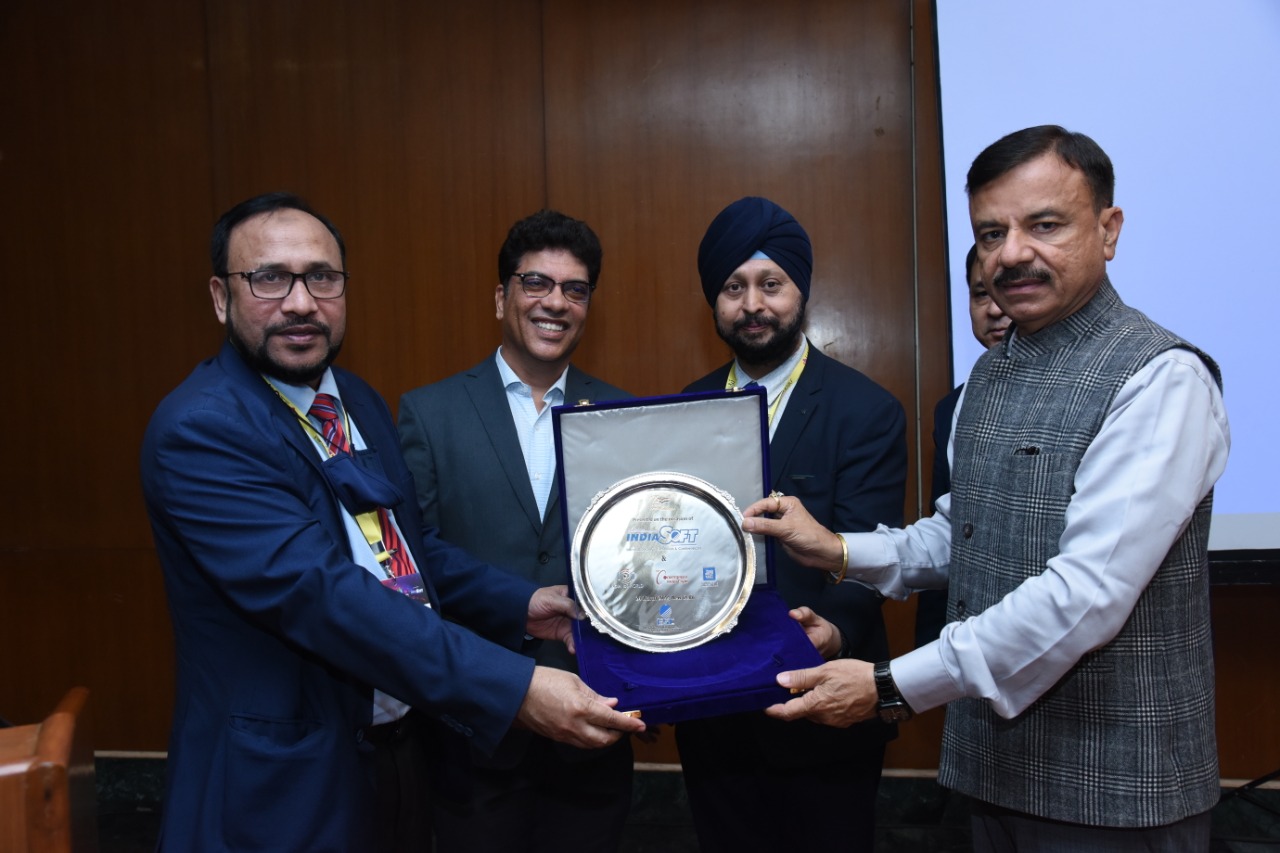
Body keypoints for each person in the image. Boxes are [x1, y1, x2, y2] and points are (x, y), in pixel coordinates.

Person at [746, 127, 1229, 850]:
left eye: (1045, 225)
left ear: (1108, 230)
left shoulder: (1161, 379)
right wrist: (836, 548)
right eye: (991, 233)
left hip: (1116, 790)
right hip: (992, 772)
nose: (1011, 254)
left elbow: (1086, 595)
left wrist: (888, 683)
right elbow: (962, 533)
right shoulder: (990, 375)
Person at [140, 192, 644, 853]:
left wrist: (522, 603)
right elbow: (322, 594)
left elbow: (406, 550)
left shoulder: (355, 401)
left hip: (397, 757)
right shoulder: (203, 428)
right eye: (270, 278)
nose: (300, 302)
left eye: (322, 277)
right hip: (283, 785)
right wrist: (515, 686)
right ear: (220, 297)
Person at [676, 196, 908, 851]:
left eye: (770, 284)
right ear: (714, 299)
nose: (753, 304)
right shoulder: (684, 408)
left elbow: (873, 552)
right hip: (712, 715)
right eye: (733, 287)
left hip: (824, 714)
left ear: (800, 292)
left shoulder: (866, 410)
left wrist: (834, 628)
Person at [398, 210, 633, 852]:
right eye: (536, 282)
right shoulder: (430, 413)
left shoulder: (625, 414)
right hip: (475, 733)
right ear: (501, 297)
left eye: (575, 289)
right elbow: (415, 558)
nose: (556, 302)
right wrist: (519, 604)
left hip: (595, 725)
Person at [914, 244, 1009, 647]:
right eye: (981, 293)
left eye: (1006, 289)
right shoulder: (954, 408)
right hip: (964, 645)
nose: (995, 309)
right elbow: (951, 537)